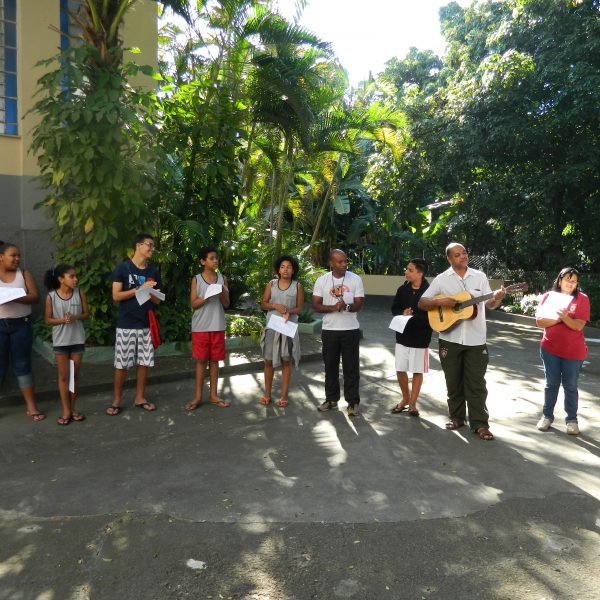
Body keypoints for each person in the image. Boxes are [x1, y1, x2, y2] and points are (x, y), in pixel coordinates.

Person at [418, 243, 505, 440]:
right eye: (457, 255)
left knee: (476, 384)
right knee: (453, 382)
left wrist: (498, 298)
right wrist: (441, 301)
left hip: (476, 340)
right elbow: (422, 302)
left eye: (464, 252)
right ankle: (456, 417)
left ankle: (480, 424)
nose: (463, 256)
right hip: (449, 339)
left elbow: (490, 304)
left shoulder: (479, 276)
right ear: (449, 259)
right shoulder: (441, 279)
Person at [107, 233, 162, 415]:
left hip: (146, 324)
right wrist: (139, 289)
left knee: (144, 363)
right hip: (126, 324)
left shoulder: (153, 271)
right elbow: (116, 296)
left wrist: (151, 292)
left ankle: (140, 398)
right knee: (121, 364)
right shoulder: (123, 268)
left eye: (153, 246)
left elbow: (157, 301)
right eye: (149, 245)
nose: (152, 249)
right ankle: (116, 401)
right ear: (138, 246)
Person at [535, 267, 590, 435]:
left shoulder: (582, 299)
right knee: (551, 384)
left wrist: (564, 318)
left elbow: (578, 325)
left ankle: (571, 420)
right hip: (550, 349)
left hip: (573, 351)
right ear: (560, 280)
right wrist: (560, 319)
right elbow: (540, 322)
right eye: (567, 279)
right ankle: (547, 416)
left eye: (574, 281)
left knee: (570, 386)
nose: (570, 283)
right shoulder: (549, 297)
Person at [312, 249, 365, 417]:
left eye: (345, 261)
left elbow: (359, 304)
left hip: (350, 330)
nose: (344, 264)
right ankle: (331, 399)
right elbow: (315, 305)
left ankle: (353, 402)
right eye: (340, 262)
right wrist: (334, 308)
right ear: (331, 263)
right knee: (330, 367)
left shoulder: (355, 279)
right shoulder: (322, 280)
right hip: (330, 330)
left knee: (351, 368)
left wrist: (346, 306)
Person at [0, 241, 45, 421]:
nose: (17, 259)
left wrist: (14, 297)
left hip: (21, 325)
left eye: (19, 255)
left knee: (23, 365)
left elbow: (35, 297)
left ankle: (31, 407)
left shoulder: (24, 274)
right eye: (13, 255)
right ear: (1, 257)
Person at [184, 247, 230, 410]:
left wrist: (222, 290)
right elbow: (193, 304)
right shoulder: (196, 279)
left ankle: (213, 396)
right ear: (203, 261)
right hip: (200, 327)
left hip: (218, 325)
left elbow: (226, 303)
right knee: (201, 361)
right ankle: (197, 397)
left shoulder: (222, 278)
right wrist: (207, 296)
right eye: (211, 258)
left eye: (216, 257)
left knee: (215, 361)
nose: (215, 260)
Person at [44, 264, 89, 425]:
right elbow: (48, 320)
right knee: (64, 377)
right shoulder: (51, 297)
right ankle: (66, 410)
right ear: (61, 279)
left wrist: (75, 317)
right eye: (71, 276)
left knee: (74, 377)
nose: (76, 279)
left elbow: (86, 314)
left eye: (76, 276)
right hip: (61, 342)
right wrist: (62, 320)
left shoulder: (80, 293)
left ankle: (73, 408)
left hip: (77, 340)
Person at [259, 255, 304, 408]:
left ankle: (284, 396)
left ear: (293, 270)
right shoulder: (271, 284)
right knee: (268, 360)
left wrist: (289, 311)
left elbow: (300, 308)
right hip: (272, 327)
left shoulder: (297, 286)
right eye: (283, 267)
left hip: (288, 327)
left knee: (286, 360)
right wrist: (275, 306)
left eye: (289, 267)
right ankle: (267, 394)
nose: (285, 270)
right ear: (278, 270)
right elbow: (263, 304)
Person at [390, 258, 432, 417]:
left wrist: (415, 318)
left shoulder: (430, 292)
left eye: (410, 270)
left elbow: (434, 314)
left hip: (421, 337)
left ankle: (413, 403)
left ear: (420, 273)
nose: (406, 272)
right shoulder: (402, 289)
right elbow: (394, 308)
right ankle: (405, 399)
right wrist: (402, 313)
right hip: (402, 336)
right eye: (407, 269)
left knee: (417, 370)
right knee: (400, 368)